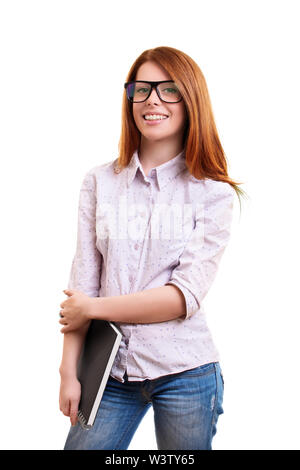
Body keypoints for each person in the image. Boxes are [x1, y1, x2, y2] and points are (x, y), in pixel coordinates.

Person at [58, 46, 245, 450]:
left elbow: (181, 298)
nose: (152, 100)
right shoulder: (99, 182)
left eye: (168, 89)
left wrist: (92, 309)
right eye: (141, 89)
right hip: (110, 374)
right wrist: (68, 371)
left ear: (190, 99)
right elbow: (82, 287)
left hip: (187, 374)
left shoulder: (213, 194)